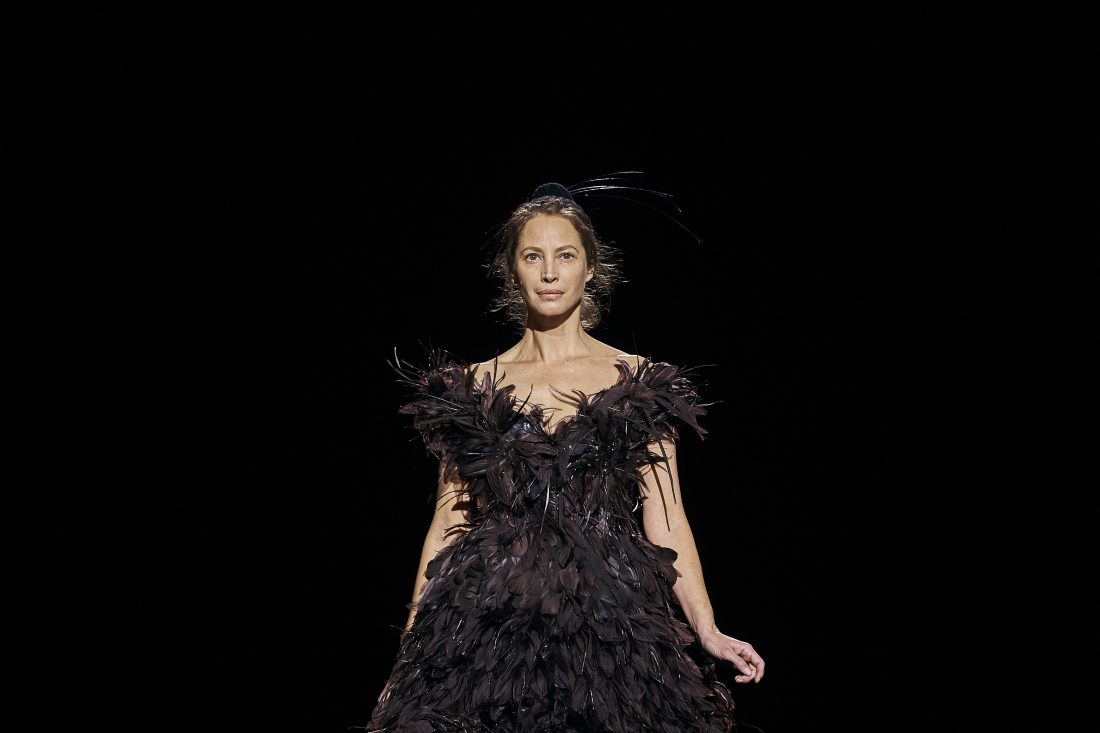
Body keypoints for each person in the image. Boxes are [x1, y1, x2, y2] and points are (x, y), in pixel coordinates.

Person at [366, 180, 765, 732]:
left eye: (566, 256)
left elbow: (667, 521)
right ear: (512, 270)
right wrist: (408, 658)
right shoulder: (470, 388)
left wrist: (707, 628)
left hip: (608, 633)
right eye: (533, 256)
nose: (550, 272)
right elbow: (447, 528)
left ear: (591, 267)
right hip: (487, 635)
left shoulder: (639, 382)